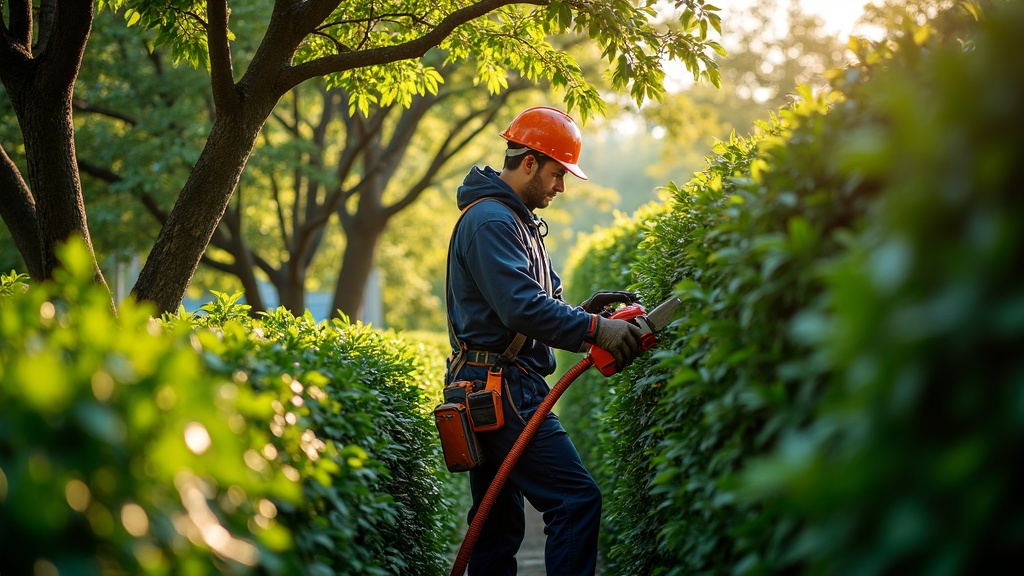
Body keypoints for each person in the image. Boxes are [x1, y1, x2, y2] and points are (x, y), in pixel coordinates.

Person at [445, 105, 646, 575]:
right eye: (558, 173)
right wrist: (599, 330)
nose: (561, 186)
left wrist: (586, 312)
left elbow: (535, 304)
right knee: (575, 501)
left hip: (491, 383)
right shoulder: (493, 222)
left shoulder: (517, 222)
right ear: (530, 162)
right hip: (502, 387)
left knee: (495, 526)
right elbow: (521, 308)